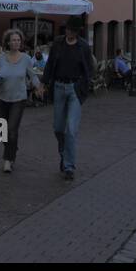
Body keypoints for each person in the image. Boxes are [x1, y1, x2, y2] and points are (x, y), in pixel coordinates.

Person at [41, 17, 92, 180]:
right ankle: (64, 153)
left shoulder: (83, 46)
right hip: (58, 87)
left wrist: (84, 87)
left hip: (74, 89)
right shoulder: (58, 43)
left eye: (72, 30)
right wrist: (44, 83)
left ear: (77, 31)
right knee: (58, 128)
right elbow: (49, 65)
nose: (69, 32)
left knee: (71, 129)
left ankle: (69, 166)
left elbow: (89, 69)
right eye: (67, 29)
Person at [0, 29, 42, 172]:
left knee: (12, 130)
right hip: (1, 97)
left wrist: (38, 86)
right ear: (8, 42)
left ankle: (8, 160)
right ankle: (12, 147)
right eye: (14, 40)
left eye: (18, 40)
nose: (16, 42)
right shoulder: (1, 57)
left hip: (18, 99)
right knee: (1, 132)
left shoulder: (26, 58)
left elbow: (32, 76)